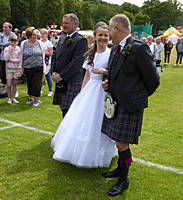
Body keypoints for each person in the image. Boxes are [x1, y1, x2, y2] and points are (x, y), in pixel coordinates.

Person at [101, 14, 160, 196]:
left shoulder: (138, 49)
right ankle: (120, 169)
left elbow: (153, 80)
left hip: (130, 105)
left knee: (122, 144)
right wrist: (107, 82)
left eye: (110, 29)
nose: (109, 33)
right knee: (119, 142)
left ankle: (123, 180)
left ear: (117, 29)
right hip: (115, 103)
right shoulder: (115, 50)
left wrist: (136, 96)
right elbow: (111, 72)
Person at [51, 22, 117, 168]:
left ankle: (102, 154)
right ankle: (79, 152)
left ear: (109, 37)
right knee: (85, 120)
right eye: (100, 35)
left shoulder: (111, 53)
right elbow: (86, 75)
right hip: (90, 91)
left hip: (104, 91)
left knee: (101, 121)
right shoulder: (90, 54)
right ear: (94, 37)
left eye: (106, 35)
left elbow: (116, 72)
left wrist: (104, 72)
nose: (103, 38)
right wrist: (82, 93)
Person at [51, 13, 88, 117]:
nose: (64, 25)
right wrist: (53, 72)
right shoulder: (62, 38)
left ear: (75, 24)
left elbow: (77, 62)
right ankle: (64, 132)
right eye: (63, 23)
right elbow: (55, 56)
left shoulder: (81, 40)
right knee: (62, 107)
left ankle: (70, 133)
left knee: (71, 111)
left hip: (72, 80)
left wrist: (61, 75)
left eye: (66, 23)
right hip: (60, 79)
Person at [19, 27, 45, 106]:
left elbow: (43, 54)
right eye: (34, 35)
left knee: (36, 83)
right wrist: (21, 67)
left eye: (36, 34)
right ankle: (30, 98)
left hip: (38, 67)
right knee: (29, 83)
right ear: (29, 36)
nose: (36, 36)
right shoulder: (23, 43)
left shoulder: (40, 43)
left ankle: (37, 100)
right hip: (27, 67)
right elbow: (21, 55)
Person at [3, 36, 21, 104]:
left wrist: (12, 60)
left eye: (14, 42)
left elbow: (19, 59)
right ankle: (9, 98)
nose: (13, 43)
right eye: (11, 41)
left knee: (15, 84)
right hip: (9, 69)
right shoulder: (6, 49)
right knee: (9, 84)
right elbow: (6, 59)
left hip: (16, 69)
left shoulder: (18, 49)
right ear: (9, 42)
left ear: (17, 42)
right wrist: (10, 51)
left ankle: (13, 98)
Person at [0, 22, 16, 89]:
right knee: (2, 73)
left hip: (11, 58)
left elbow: (12, 44)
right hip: (2, 57)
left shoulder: (13, 35)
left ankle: (13, 88)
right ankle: (5, 86)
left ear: (10, 28)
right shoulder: (1, 35)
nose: (4, 28)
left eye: (6, 27)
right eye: (3, 27)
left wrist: (2, 46)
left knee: (11, 74)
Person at [40, 28, 53, 96]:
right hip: (39, 61)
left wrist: (42, 52)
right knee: (40, 76)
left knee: (47, 76)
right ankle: (40, 89)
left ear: (46, 34)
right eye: (41, 33)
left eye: (43, 33)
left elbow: (50, 53)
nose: (42, 35)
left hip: (46, 62)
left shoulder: (49, 43)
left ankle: (50, 90)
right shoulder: (39, 42)